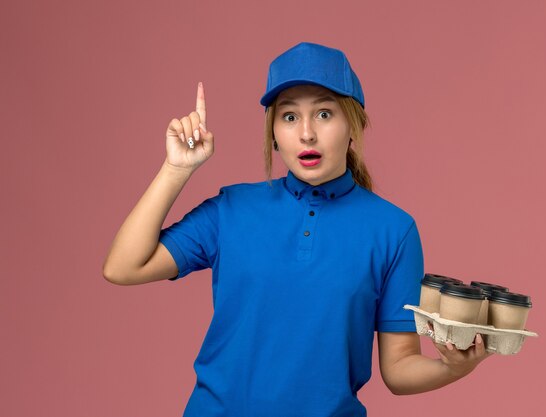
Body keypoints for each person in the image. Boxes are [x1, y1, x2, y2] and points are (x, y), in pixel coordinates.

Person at [103, 42, 491, 417]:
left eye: (324, 114)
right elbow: (123, 267)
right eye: (289, 117)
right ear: (273, 133)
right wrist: (176, 170)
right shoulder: (231, 209)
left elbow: (400, 367)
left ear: (353, 126)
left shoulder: (393, 231)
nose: (307, 132)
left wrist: (453, 368)